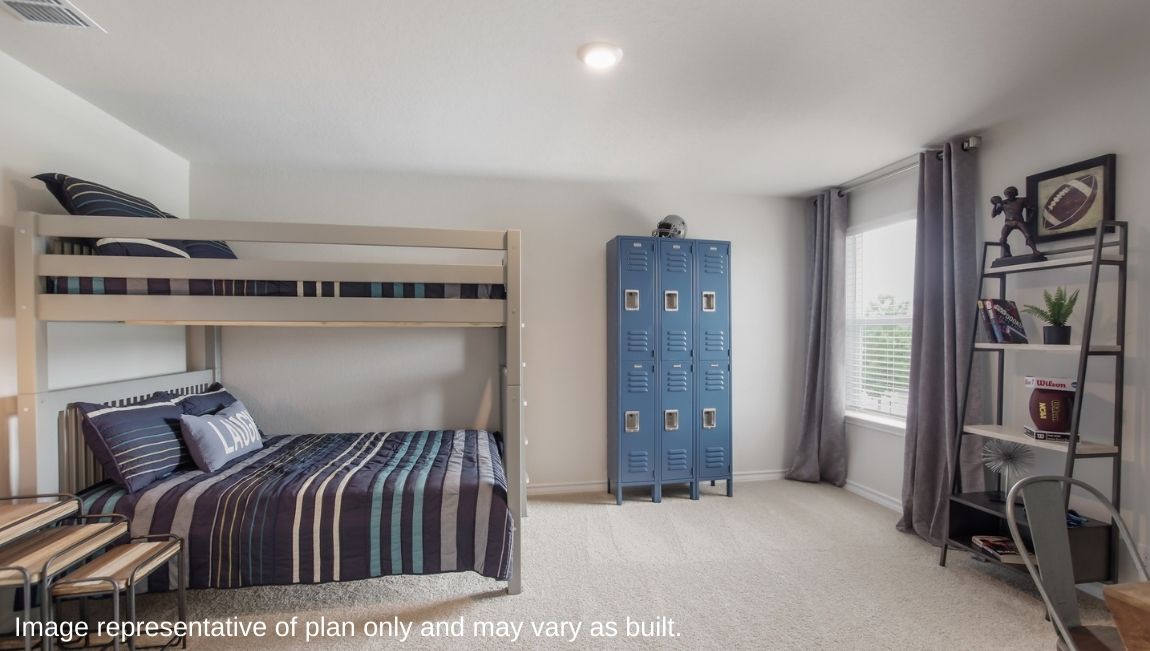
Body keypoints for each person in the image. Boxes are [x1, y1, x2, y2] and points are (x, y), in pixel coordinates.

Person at [991, 186, 1042, 258]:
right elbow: (993, 215)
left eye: (1010, 193)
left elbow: (1033, 208)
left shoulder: (1021, 200)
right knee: (1002, 240)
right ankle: (1007, 252)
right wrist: (995, 205)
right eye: (1007, 194)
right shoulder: (1003, 203)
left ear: (1015, 193)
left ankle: (1035, 250)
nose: (1008, 195)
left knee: (1028, 235)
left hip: (1019, 221)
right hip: (1008, 223)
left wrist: (1029, 219)